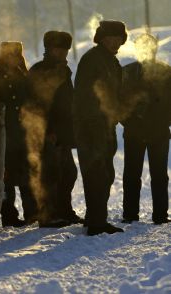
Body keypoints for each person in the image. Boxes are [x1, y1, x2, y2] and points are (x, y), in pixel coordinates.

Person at [73, 20, 127, 236]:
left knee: (105, 174)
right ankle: (96, 223)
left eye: (119, 38)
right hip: (92, 127)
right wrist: (97, 121)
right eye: (112, 38)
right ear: (102, 38)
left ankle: (95, 217)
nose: (116, 42)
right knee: (96, 174)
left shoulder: (111, 63)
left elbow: (115, 95)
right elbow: (85, 96)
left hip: (105, 126)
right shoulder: (92, 60)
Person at [27, 31, 83, 227]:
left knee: (68, 173)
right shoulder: (39, 71)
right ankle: (47, 215)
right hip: (46, 132)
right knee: (50, 174)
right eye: (58, 49)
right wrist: (47, 129)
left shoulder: (64, 70)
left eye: (65, 49)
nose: (63, 53)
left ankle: (65, 211)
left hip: (62, 132)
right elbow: (37, 103)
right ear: (49, 49)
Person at [0, 41, 37, 227]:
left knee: (27, 176)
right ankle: (9, 216)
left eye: (16, 56)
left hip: (23, 134)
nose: (14, 60)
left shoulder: (24, 75)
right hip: (1, 135)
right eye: (10, 56)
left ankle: (33, 213)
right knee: (5, 178)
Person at [120, 33, 171, 225]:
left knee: (159, 175)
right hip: (134, 132)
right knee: (132, 174)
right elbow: (119, 102)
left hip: (158, 132)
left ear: (156, 48)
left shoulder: (167, 72)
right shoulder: (127, 72)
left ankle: (160, 214)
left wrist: (163, 121)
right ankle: (130, 213)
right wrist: (129, 122)